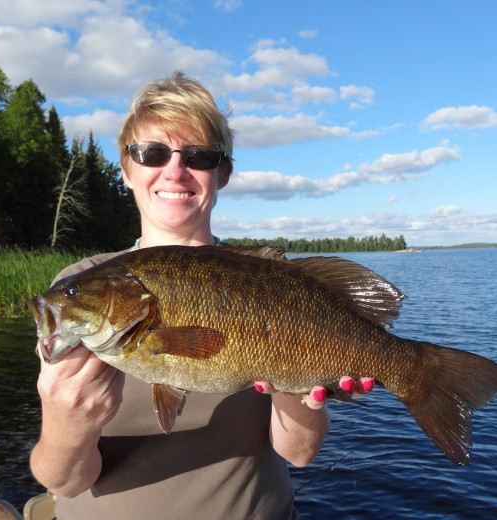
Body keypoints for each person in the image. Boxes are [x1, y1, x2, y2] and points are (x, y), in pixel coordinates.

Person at [29, 71, 374, 520]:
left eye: (199, 156)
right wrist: (66, 421)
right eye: (151, 153)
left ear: (222, 172)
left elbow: (299, 454)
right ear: (126, 169)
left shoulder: (268, 281)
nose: (174, 170)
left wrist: (300, 388)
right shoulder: (79, 284)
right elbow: (63, 481)